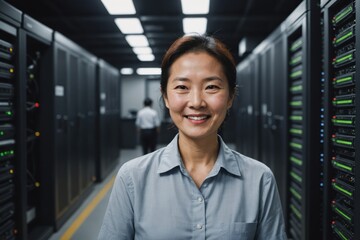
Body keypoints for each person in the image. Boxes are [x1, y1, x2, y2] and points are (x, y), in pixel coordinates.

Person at [98, 34, 287, 239]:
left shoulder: (259, 179)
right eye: (182, 87)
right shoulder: (132, 178)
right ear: (165, 97)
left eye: (211, 87)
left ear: (231, 97)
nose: (196, 102)